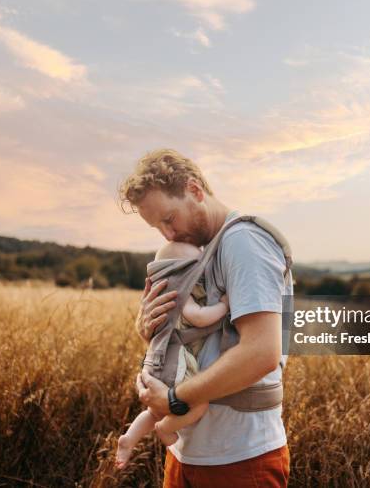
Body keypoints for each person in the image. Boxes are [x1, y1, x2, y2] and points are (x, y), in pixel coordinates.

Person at [118, 148, 291, 487]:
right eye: (158, 228)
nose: (168, 236)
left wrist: (173, 399)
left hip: (240, 456)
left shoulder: (244, 241)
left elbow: (262, 353)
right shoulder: (195, 252)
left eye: (169, 219)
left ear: (195, 191)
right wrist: (151, 329)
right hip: (189, 450)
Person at [115, 240, 230, 469]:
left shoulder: (161, 295)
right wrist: (223, 308)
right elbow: (198, 317)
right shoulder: (181, 294)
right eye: (197, 267)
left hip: (156, 360)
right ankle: (166, 428)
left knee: (154, 409)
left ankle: (129, 439)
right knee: (200, 403)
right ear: (183, 272)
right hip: (173, 361)